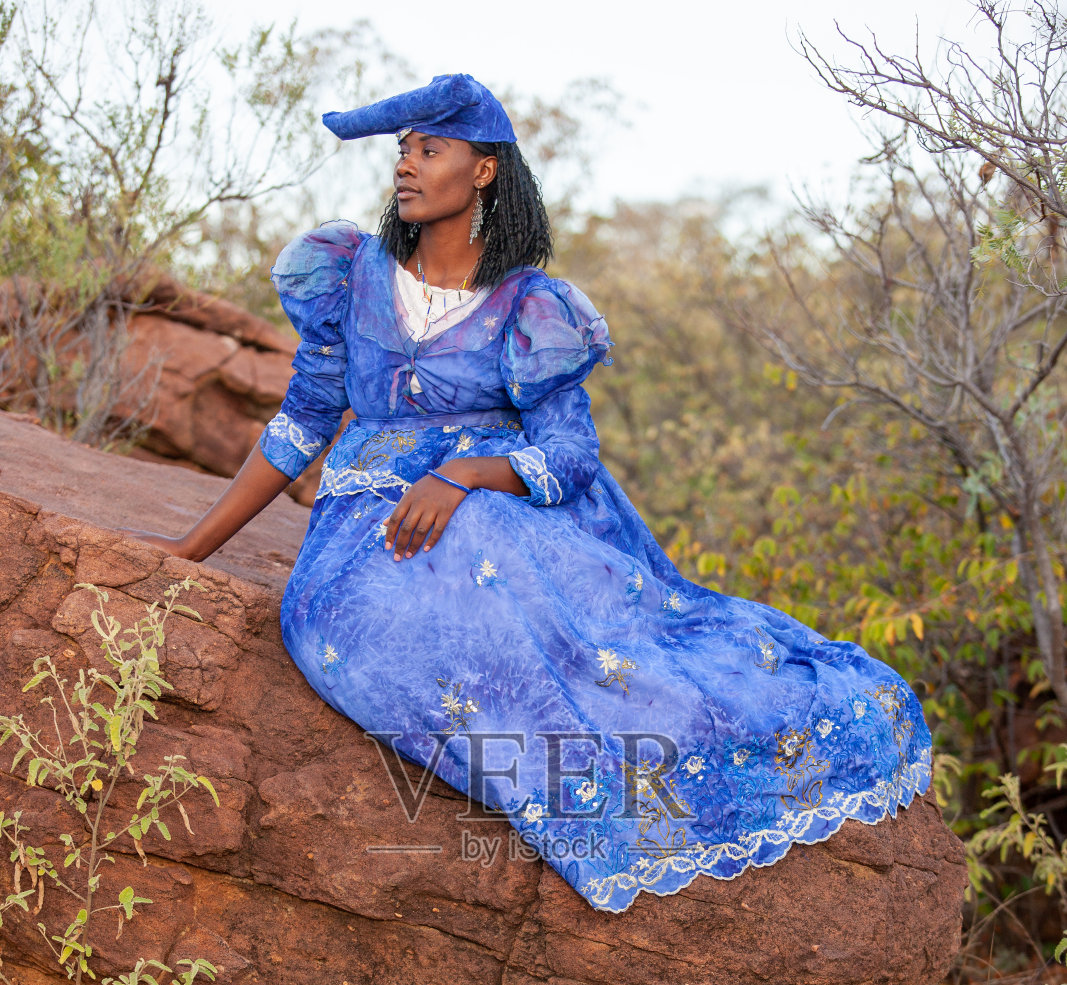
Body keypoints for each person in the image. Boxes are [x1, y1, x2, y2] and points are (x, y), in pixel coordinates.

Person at [131, 73, 932, 914]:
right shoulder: (349, 275)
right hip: (370, 515)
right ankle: (581, 787)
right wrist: (187, 552)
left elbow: (570, 453)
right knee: (345, 614)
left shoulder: (530, 305)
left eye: (429, 150)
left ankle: (633, 798)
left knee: (511, 568)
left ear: (482, 171)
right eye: (402, 151)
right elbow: (300, 423)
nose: (406, 166)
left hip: (509, 506)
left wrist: (468, 473)